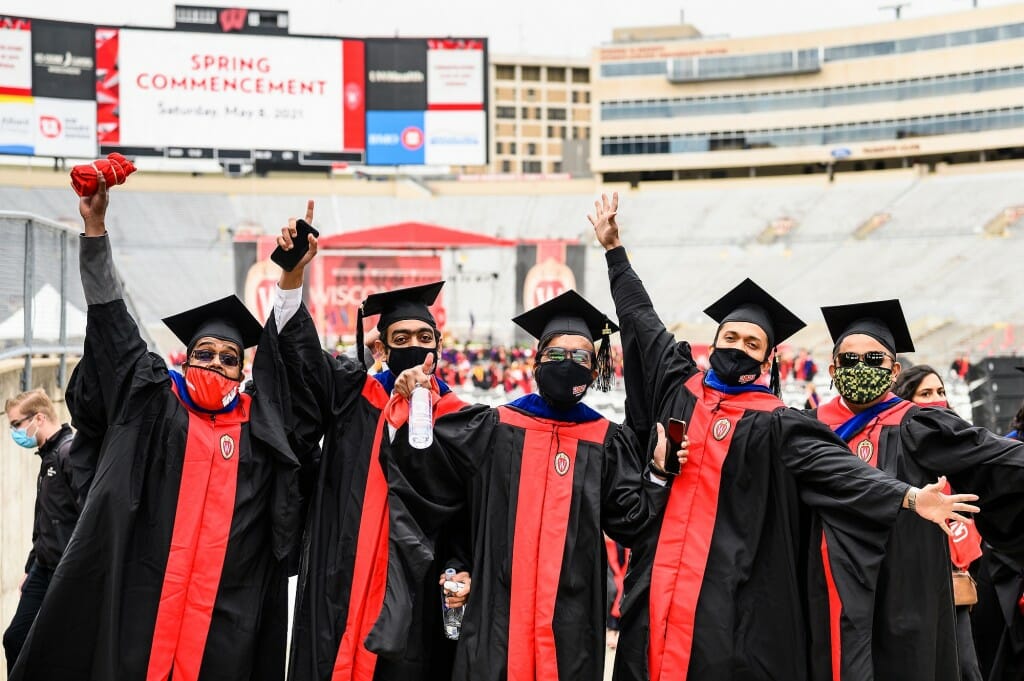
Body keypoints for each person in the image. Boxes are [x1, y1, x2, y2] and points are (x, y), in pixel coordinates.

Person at [588, 191, 979, 681]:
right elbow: (641, 321)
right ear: (715, 342)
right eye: (731, 338)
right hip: (656, 585)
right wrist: (614, 253)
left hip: (728, 602)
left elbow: (840, 470)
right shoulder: (678, 383)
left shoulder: (779, 422)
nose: (739, 348)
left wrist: (906, 497)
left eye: (753, 343)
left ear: (769, 360)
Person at [10, 173, 304, 681]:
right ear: (186, 358)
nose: (214, 363)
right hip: (140, 616)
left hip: (222, 627)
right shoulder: (155, 404)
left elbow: (292, 373)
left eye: (228, 358)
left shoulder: (259, 428)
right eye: (204, 353)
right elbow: (112, 323)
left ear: (242, 371)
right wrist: (96, 228)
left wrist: (291, 278)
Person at [380, 289, 679, 681]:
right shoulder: (494, 427)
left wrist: (657, 474)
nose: (566, 364)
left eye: (580, 357)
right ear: (536, 361)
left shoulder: (606, 441)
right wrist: (460, 565)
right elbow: (443, 492)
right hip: (495, 622)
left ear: (594, 370)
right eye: (555, 355)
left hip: (570, 628)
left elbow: (630, 523)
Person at [268, 202, 468, 681]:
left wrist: (461, 569)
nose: (415, 346)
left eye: (425, 336)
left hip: (415, 593)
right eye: (401, 337)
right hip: (340, 579)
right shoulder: (350, 397)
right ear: (379, 348)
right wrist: (293, 276)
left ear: (438, 348)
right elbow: (299, 359)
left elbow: (470, 514)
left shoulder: (460, 421)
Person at [808, 300, 1024, 681]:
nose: (861, 368)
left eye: (874, 360)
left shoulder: (918, 425)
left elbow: (994, 457)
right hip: (824, 588)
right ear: (832, 370)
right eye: (850, 360)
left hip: (905, 589)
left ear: (893, 371)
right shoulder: (807, 428)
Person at [893, 364, 984, 681]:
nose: (937, 400)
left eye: (941, 392)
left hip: (953, 576)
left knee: (966, 666)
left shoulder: (959, 444)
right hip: (908, 577)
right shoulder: (895, 449)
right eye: (926, 393)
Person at [3, 390, 80, 670]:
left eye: (16, 424)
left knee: (57, 647)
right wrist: (31, 567)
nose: (14, 432)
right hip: (42, 567)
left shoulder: (68, 453)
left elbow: (89, 518)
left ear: (39, 417)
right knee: (14, 638)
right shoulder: (48, 456)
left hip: (65, 572)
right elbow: (45, 520)